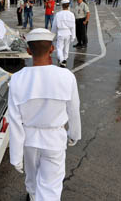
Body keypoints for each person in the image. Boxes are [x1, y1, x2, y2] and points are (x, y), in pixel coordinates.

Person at [8, 28, 81, 201]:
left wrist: (16, 156)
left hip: (29, 139)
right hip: (54, 138)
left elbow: (15, 121)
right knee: (51, 186)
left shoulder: (17, 79)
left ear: (28, 51)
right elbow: (73, 110)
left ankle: (33, 196)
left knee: (32, 178)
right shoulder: (66, 76)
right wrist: (74, 134)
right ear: (52, 49)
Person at [51, 0, 76, 68]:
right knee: (66, 47)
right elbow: (73, 26)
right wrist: (73, 36)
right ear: (68, 6)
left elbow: (54, 25)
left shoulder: (58, 14)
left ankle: (62, 60)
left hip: (61, 32)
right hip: (68, 33)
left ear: (62, 6)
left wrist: (52, 35)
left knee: (59, 48)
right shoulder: (71, 14)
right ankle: (65, 59)